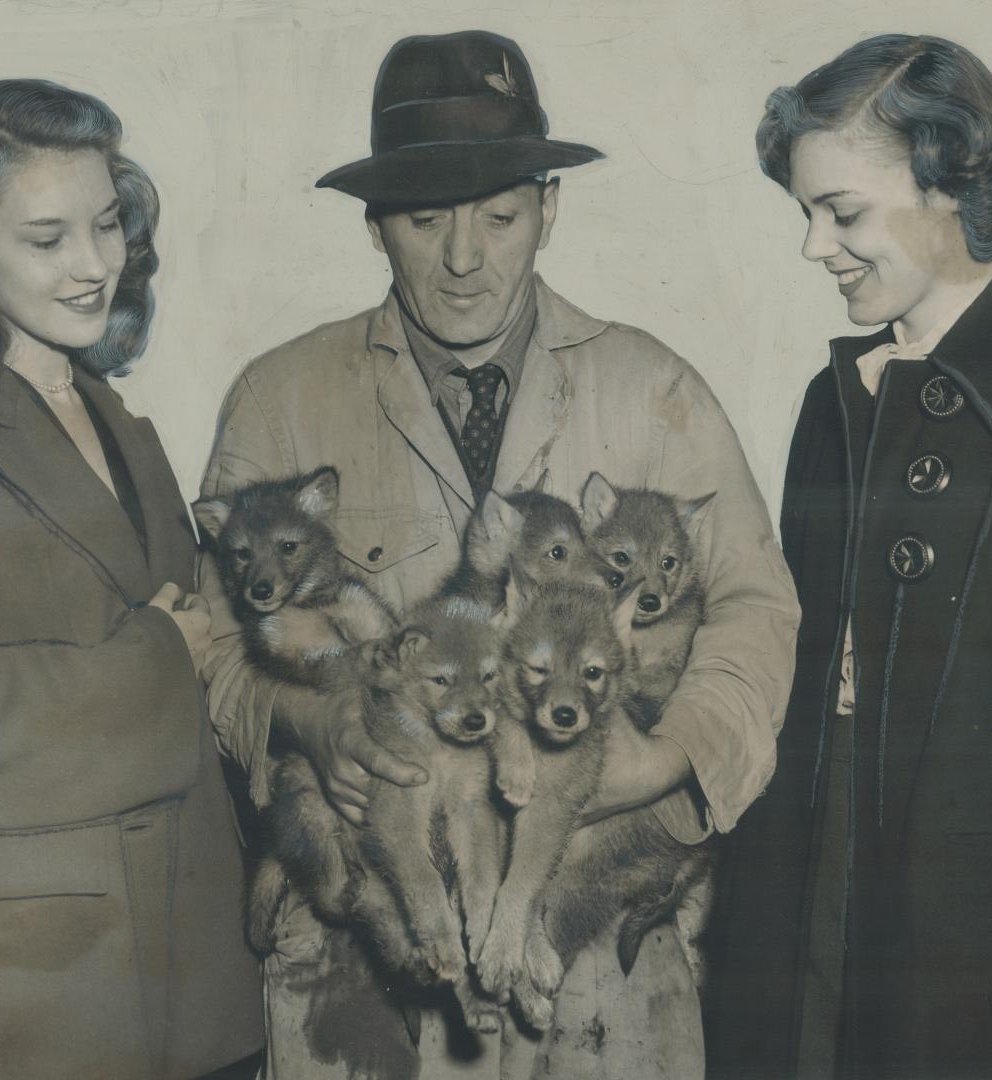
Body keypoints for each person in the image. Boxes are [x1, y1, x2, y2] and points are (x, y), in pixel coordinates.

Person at [195, 30, 800, 1080]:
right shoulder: (281, 399)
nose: (465, 259)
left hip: (598, 930)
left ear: (550, 211)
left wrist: (668, 757)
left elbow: (757, 609)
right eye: (426, 221)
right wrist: (304, 718)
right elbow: (210, 642)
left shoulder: (654, 387)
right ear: (378, 226)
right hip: (364, 945)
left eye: (501, 216)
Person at [707, 33, 992, 1079]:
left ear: (951, 182)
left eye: (842, 212)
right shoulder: (832, 406)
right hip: (825, 903)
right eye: (804, 215)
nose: (813, 248)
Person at [0, 80, 262, 1079]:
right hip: (7, 1001)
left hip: (177, 991)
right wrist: (162, 661)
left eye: (108, 224)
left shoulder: (115, 419)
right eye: (47, 238)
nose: (94, 266)